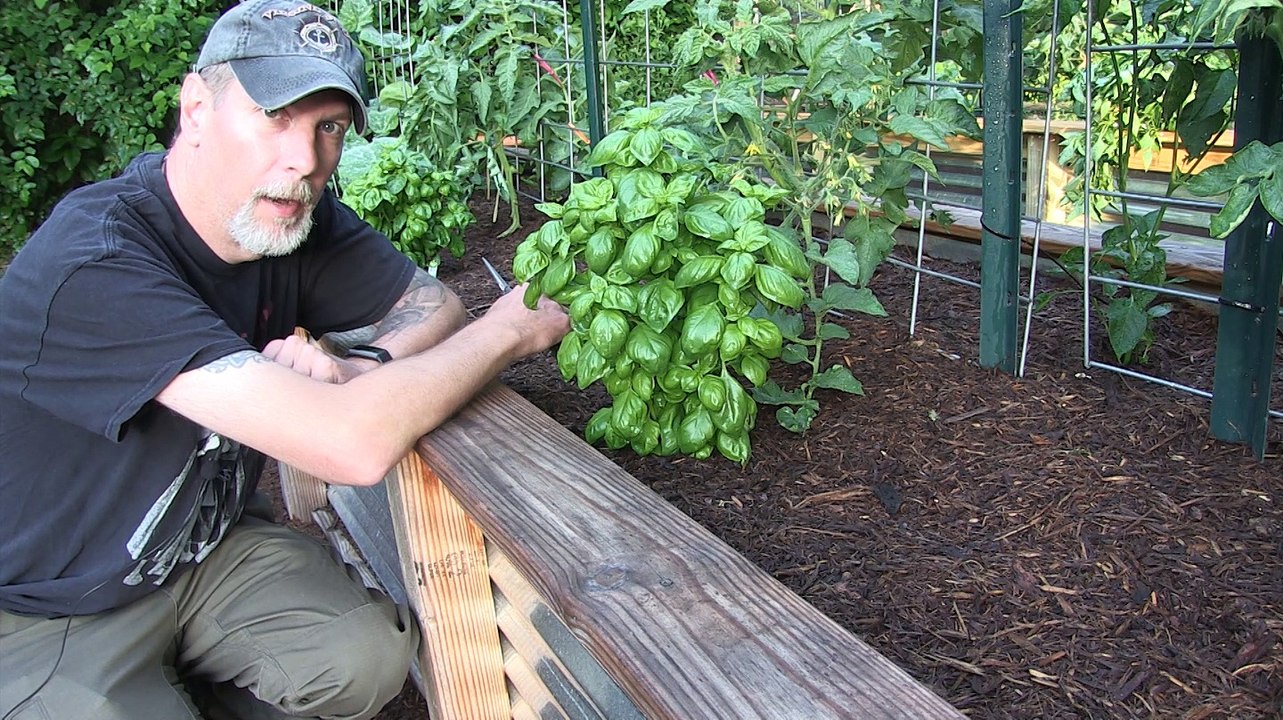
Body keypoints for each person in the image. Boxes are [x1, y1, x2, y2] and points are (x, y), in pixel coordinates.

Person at [0, 1, 570, 718]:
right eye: (275, 116)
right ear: (196, 107)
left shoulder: (287, 216)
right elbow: (351, 446)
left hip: (200, 554)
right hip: (48, 606)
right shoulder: (95, 264)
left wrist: (362, 368)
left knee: (363, 656)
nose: (304, 160)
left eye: (327, 126)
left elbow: (430, 303)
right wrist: (510, 332)